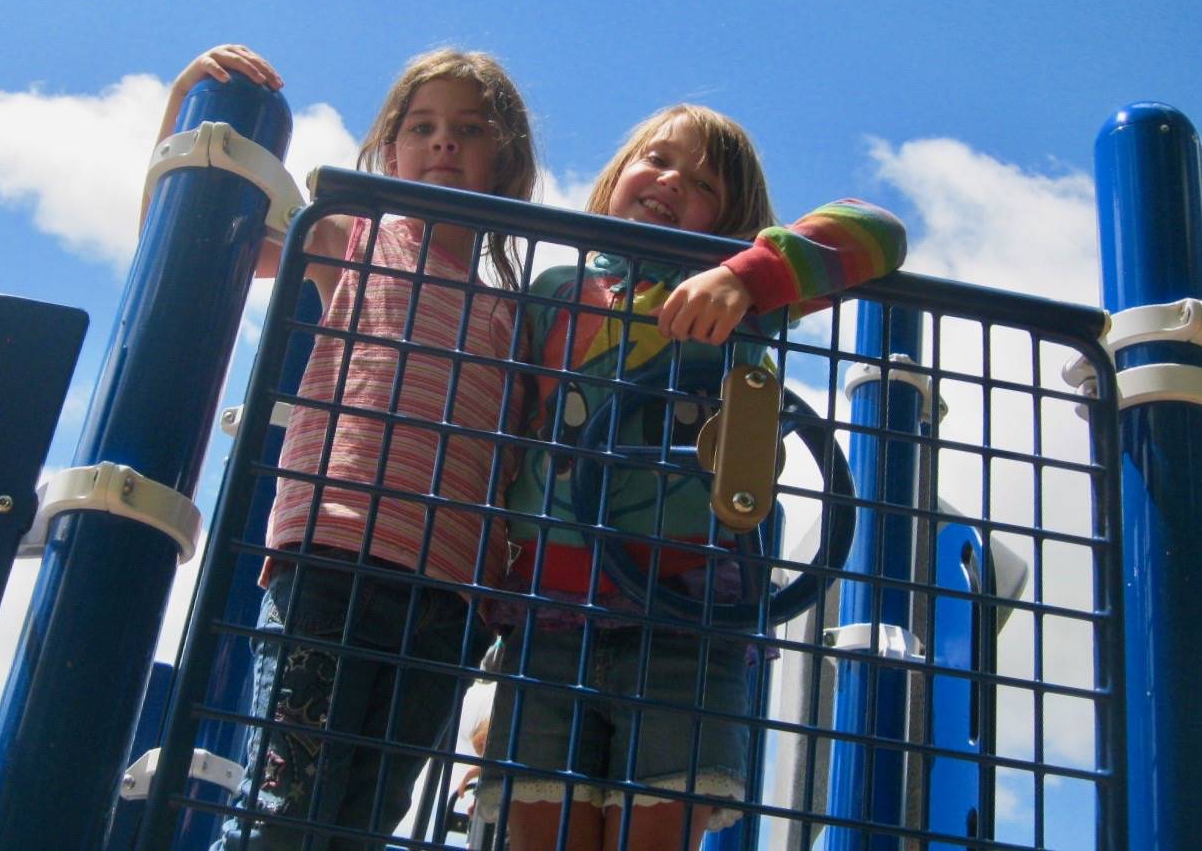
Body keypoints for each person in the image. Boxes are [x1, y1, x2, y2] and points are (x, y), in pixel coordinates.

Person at [476, 104, 907, 851]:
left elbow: (878, 233)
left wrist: (748, 274)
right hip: (548, 611)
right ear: (617, 172)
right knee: (542, 829)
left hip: (682, 613)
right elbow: (507, 428)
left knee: (656, 829)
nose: (670, 181)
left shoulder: (740, 301)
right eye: (656, 158)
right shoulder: (557, 288)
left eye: (701, 181)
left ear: (729, 217)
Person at [158, 44, 537, 849]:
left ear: (505, 160)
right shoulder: (351, 236)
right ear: (391, 146)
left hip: (448, 597)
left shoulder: (512, 313)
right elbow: (190, 231)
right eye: (422, 125)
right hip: (333, 559)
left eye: (470, 130)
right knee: (284, 814)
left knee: (363, 825)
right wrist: (188, 112)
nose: (444, 143)